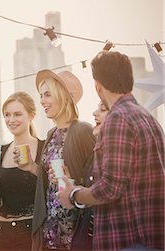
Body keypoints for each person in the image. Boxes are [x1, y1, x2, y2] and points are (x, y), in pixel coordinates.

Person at [58, 51, 165, 251]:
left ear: (98, 86)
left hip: (126, 241)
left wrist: (73, 195)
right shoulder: (148, 119)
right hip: (151, 239)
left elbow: (109, 188)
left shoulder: (118, 118)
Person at [32, 70, 96, 251]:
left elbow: (97, 180)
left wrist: (71, 181)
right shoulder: (51, 135)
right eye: (41, 96)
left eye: (47, 94)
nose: (42, 101)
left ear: (64, 96)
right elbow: (48, 184)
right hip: (50, 233)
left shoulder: (83, 131)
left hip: (75, 235)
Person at [0, 91, 45, 250]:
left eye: (17, 114)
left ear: (31, 115)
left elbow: (52, 188)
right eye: (7, 115)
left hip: (32, 232)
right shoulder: (0, 152)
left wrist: (32, 168)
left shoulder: (44, 148)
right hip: (3, 233)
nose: (11, 120)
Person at [69, 101, 108, 251]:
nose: (95, 113)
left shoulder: (120, 156)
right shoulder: (95, 155)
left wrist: (74, 194)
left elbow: (104, 194)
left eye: (103, 109)